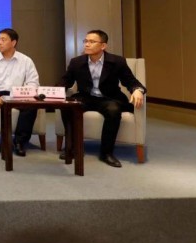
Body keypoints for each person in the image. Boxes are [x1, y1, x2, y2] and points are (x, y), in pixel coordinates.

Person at [58, 29, 146, 168]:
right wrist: (54, 91)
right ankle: (72, 147)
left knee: (113, 110)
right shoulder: (76, 62)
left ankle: (106, 153)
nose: (87, 44)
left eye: (92, 41)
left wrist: (137, 90)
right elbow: (66, 81)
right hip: (86, 97)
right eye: (85, 41)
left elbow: (130, 81)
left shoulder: (117, 61)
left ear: (103, 46)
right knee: (68, 107)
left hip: (109, 98)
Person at [0, 28, 40, 158]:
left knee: (31, 105)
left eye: (3, 40)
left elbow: (33, 82)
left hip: (16, 94)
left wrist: (23, 94)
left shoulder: (26, 61)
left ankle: (19, 142)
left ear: (13, 42)